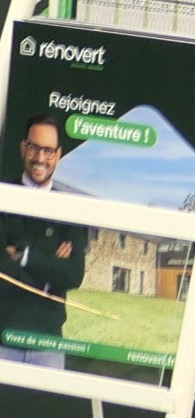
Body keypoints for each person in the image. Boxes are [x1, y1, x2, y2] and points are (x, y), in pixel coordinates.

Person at [0, 115, 87, 368]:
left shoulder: (69, 209)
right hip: (3, 338)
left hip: (48, 344)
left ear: (58, 155)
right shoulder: (3, 195)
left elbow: (73, 275)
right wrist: (50, 273)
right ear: (23, 148)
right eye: (34, 148)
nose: (40, 158)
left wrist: (23, 256)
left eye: (48, 151)